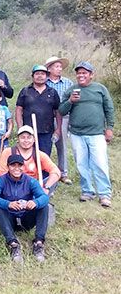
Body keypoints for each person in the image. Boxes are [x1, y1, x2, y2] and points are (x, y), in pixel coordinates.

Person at [59, 61, 115, 207]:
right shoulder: (71, 90)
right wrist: (70, 101)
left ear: (91, 75)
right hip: (77, 133)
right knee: (82, 164)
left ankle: (104, 194)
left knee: (100, 163)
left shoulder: (100, 89)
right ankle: (87, 191)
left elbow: (109, 108)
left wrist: (109, 128)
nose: (81, 75)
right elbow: (61, 110)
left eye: (84, 73)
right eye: (79, 73)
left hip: (97, 133)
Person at [0, 154, 49, 263]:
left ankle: (39, 242)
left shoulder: (31, 181)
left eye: (19, 165)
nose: (16, 168)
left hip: (26, 218)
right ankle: (13, 244)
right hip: (10, 218)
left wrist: (35, 202)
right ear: (8, 166)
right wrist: (8, 204)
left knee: (44, 206)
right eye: (13, 165)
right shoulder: (0, 181)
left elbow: (45, 197)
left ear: (24, 167)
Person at [0, 126, 61, 195]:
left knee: (54, 178)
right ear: (18, 139)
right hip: (13, 185)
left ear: (34, 139)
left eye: (29, 137)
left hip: (32, 186)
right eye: (23, 137)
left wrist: (46, 187)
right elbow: (2, 174)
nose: (26, 140)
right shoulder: (8, 152)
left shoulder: (39, 154)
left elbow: (55, 171)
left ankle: (41, 198)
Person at [16, 65, 61, 155]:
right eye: (37, 74)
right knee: (28, 156)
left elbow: (57, 111)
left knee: (44, 157)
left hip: (46, 132)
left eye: (42, 74)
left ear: (47, 76)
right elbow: (18, 109)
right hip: (28, 132)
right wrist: (20, 127)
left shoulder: (52, 92)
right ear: (33, 76)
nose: (40, 76)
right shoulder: (25, 91)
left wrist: (58, 129)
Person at [45, 56, 74, 185]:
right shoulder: (44, 82)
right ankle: (47, 171)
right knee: (46, 144)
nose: (59, 69)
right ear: (49, 69)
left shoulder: (68, 83)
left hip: (63, 116)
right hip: (46, 117)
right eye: (56, 66)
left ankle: (63, 173)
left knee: (61, 144)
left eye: (60, 67)